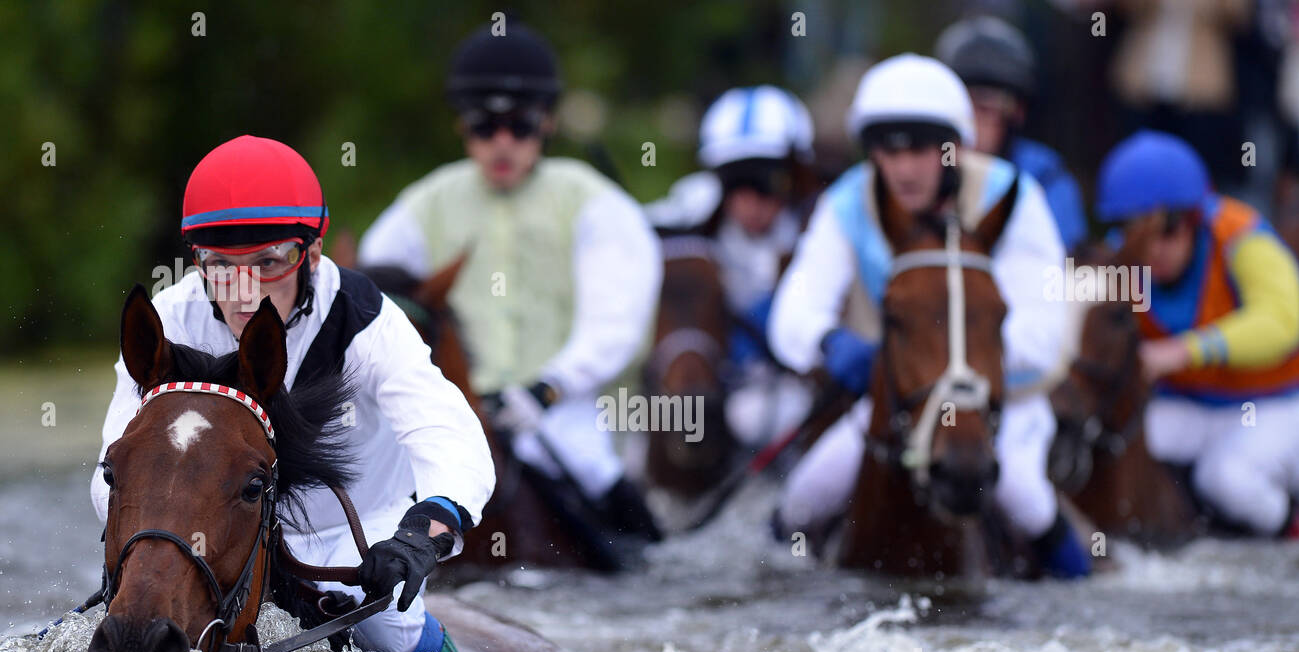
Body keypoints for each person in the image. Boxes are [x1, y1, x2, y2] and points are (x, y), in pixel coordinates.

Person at [92, 135, 495, 652]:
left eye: (269, 262)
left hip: (353, 530)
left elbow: (446, 429)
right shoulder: (167, 319)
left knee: (389, 625)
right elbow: (116, 465)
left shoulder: (365, 317)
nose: (243, 291)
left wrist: (429, 527)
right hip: (215, 533)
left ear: (313, 253)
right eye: (219, 264)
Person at [767, 53, 1090, 578]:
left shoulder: (1012, 198)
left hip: (1002, 400)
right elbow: (794, 312)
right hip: (899, 401)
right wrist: (831, 343)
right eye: (886, 151)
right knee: (803, 498)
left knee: (1025, 498)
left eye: (920, 149)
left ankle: (1080, 594)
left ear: (955, 148)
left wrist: (953, 367)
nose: (903, 169)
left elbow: (1041, 332)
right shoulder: (847, 203)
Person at [358, 22, 662, 539]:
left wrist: (549, 387)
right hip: (450, 407)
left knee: (594, 468)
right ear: (463, 128)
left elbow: (616, 319)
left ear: (546, 123)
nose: (502, 143)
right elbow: (368, 296)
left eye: (518, 127)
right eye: (485, 126)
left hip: (554, 410)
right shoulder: (422, 203)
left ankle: (649, 564)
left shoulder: (594, 201)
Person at [1096, 129, 1299, 536]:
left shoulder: (1239, 236)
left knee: (1225, 478)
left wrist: (1187, 351)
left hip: (1277, 406)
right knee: (1115, 450)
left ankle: (1288, 539)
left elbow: (1285, 320)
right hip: (1187, 407)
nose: (1153, 250)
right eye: (1138, 234)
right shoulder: (1116, 262)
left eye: (1167, 231)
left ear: (1194, 219)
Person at [644, 85, 818, 446]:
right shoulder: (691, 210)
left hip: (787, 388)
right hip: (707, 380)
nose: (750, 200)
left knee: (758, 418)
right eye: (736, 183)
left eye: (766, 182)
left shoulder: (818, 227)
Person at [936, 14, 1089, 253]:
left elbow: (1061, 258)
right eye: (959, 106)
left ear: (1017, 112)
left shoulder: (1043, 176)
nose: (970, 121)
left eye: (985, 106)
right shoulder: (923, 167)